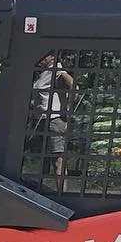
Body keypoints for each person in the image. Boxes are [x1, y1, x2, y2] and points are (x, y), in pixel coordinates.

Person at [31, 53, 74, 182]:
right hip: (42, 119)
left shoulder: (57, 69)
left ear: (53, 58)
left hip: (54, 120)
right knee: (44, 159)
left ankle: (62, 194)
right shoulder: (44, 72)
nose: (41, 58)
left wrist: (68, 107)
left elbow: (72, 84)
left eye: (45, 56)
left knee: (57, 160)